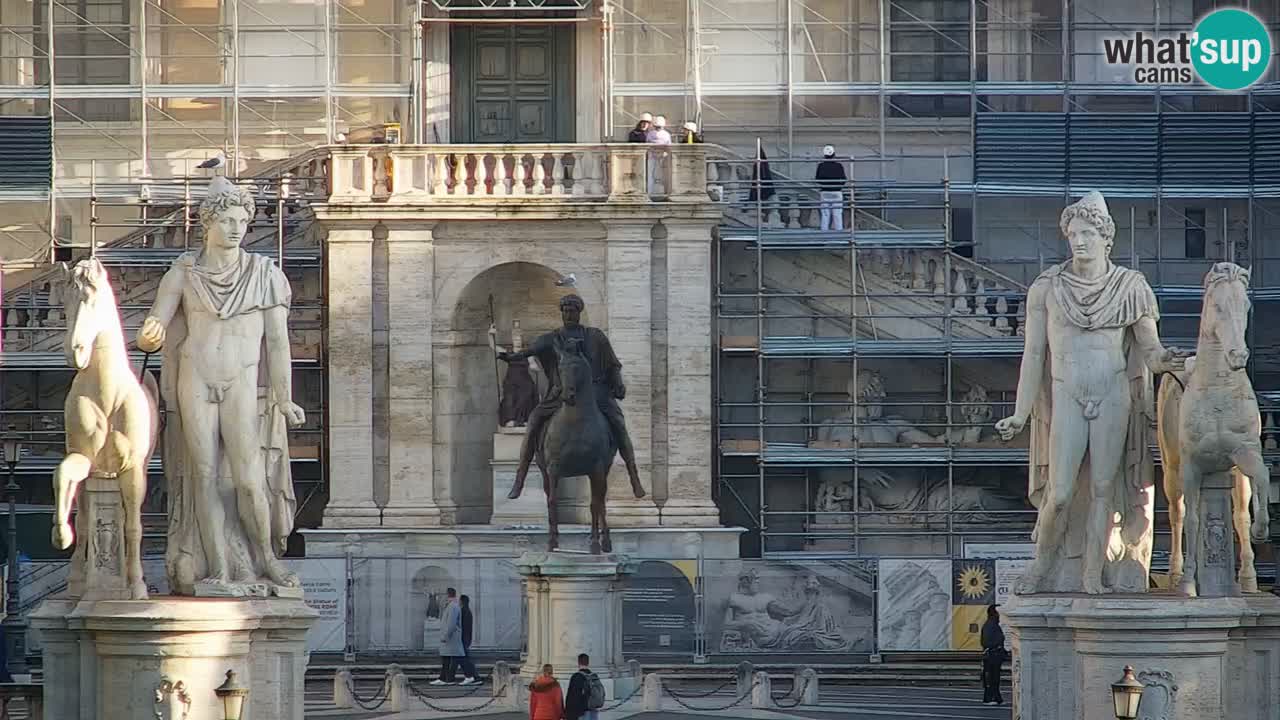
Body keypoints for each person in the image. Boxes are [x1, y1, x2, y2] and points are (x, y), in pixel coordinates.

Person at [995, 191, 1185, 594]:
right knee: (1060, 494)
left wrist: (1170, 360)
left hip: (1113, 394)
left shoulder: (1131, 286)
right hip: (1067, 396)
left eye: (1087, 234)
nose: (1078, 241)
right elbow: (1033, 356)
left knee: (1105, 490)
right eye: (1072, 234)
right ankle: (1042, 566)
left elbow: (1149, 351)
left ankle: (1091, 575)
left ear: (1106, 239)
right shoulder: (1047, 288)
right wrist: (1020, 412)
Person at [496, 294, 646, 501]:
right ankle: (519, 479)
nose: (569, 314)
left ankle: (634, 477)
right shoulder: (552, 338)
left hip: (597, 393)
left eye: (573, 310)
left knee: (619, 425)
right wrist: (511, 357)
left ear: (579, 312)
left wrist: (617, 383)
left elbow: (613, 364)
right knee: (533, 423)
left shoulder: (596, 336)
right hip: (560, 394)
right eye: (565, 310)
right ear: (561, 313)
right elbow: (529, 351)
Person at [431, 587, 464, 685]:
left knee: (449, 660)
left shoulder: (453, 606)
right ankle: (444, 678)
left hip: (451, 638)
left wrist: (445, 636)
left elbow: (451, 624)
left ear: (447, 595)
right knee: (446, 659)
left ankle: (447, 679)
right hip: (450, 638)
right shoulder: (451, 606)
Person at [815, 145, 848, 231]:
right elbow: (844, 179)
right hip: (837, 191)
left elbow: (817, 179)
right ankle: (839, 232)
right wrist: (838, 185)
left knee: (825, 214)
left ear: (824, 155)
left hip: (825, 192)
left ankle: (824, 233)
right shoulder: (839, 166)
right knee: (837, 214)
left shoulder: (821, 166)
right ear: (834, 154)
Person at [565, 653, 606, 720]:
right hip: (593, 711)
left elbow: (572, 697)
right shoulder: (594, 676)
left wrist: (569, 715)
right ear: (588, 662)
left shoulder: (576, 677)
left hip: (582, 712)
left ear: (578, 662)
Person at [980, 605, 1006, 706]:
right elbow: (986, 642)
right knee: (992, 678)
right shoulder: (990, 625)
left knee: (995, 678)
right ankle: (990, 698)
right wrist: (998, 646)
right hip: (992, 656)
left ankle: (996, 698)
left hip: (995, 655)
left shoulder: (993, 624)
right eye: (999, 613)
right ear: (994, 613)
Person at [646, 116, 672, 194]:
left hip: (663, 157)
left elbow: (669, 146)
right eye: (656, 127)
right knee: (650, 175)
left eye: (659, 127)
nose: (658, 128)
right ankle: (650, 192)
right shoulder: (650, 133)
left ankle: (665, 191)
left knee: (664, 174)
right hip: (652, 156)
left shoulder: (666, 134)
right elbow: (647, 144)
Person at [457, 594, 479, 685]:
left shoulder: (463, 611)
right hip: (466, 638)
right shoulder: (468, 611)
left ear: (461, 601)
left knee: (464, 659)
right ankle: (474, 677)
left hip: (463, 638)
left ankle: (470, 676)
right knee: (465, 658)